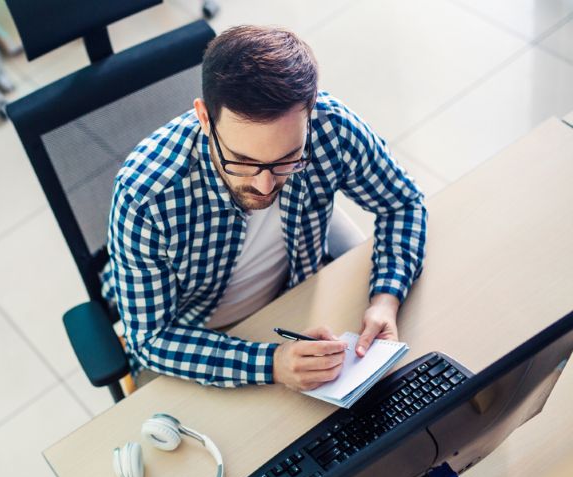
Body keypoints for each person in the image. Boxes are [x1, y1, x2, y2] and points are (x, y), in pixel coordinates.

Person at [103, 25, 427, 391]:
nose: (265, 185)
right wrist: (270, 363)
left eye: (288, 159)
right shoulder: (145, 194)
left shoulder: (329, 126)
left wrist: (385, 299)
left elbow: (403, 203)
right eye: (242, 161)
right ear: (205, 118)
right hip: (200, 334)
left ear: (309, 111)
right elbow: (150, 340)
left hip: (296, 296)